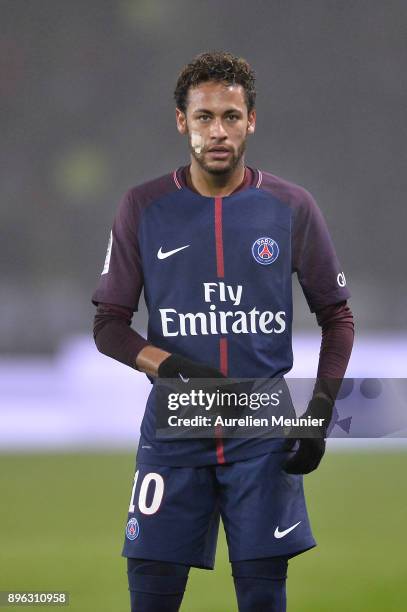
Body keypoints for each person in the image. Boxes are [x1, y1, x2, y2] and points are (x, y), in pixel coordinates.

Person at [92, 51, 354, 612]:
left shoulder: (290, 207)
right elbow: (109, 327)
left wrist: (318, 415)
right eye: (205, 116)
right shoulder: (143, 206)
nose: (218, 131)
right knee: (151, 601)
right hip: (174, 434)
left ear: (251, 120)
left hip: (261, 436)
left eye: (231, 117)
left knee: (263, 600)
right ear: (182, 121)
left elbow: (337, 317)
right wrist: (174, 367)